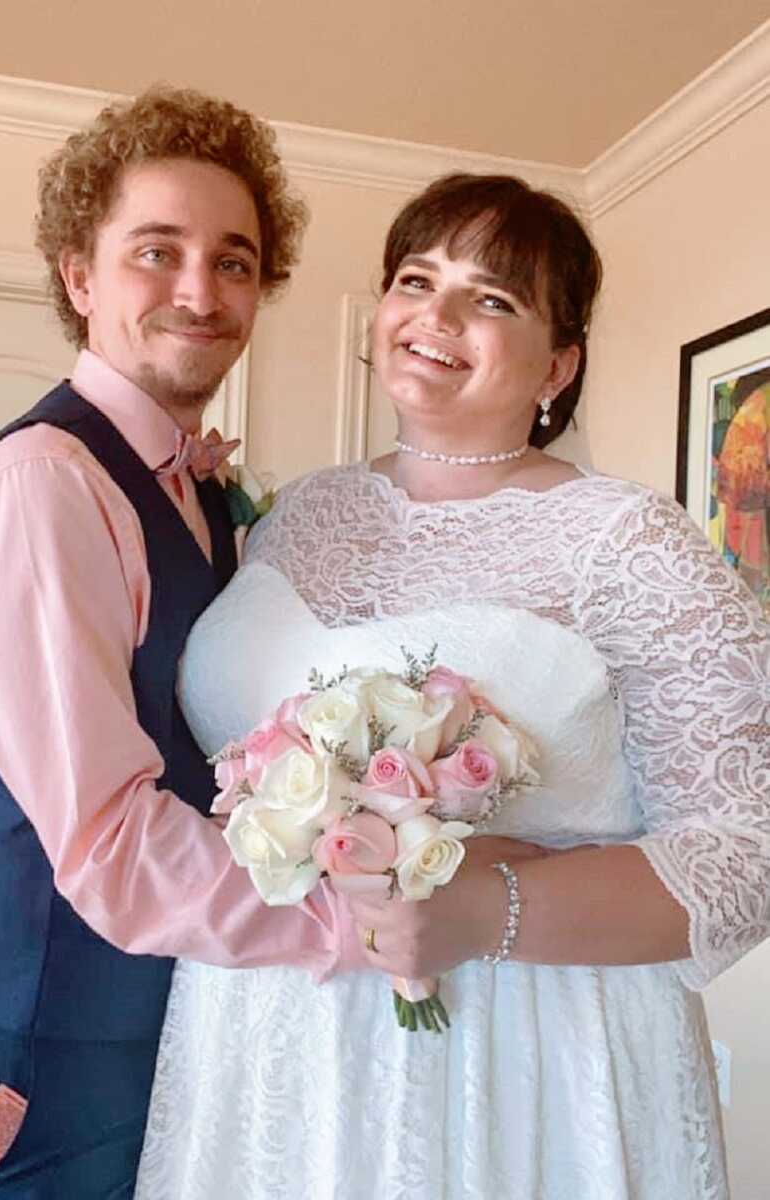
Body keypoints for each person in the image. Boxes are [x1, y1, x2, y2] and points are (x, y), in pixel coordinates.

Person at [134, 174, 770, 1199]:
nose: (435, 316)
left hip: (517, 1056)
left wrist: (489, 910)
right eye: (415, 279)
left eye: (492, 299)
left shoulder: (631, 542)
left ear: (558, 363)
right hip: (262, 1034)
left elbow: (745, 854)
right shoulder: (295, 512)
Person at [0, 86, 375, 1199]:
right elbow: (108, 841)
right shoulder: (43, 488)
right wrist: (360, 922)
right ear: (81, 276)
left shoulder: (192, 487)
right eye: (155, 252)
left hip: (160, 1000)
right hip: (44, 1023)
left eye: (235, 261)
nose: (200, 292)